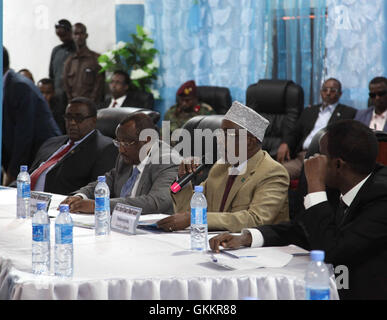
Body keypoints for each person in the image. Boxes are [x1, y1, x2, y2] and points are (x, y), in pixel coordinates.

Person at [210, 120, 387, 300]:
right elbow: (302, 229)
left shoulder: (381, 198)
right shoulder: (339, 185)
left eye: (320, 155)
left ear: (338, 165)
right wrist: (247, 237)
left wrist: (316, 186)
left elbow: (333, 252)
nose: (312, 160)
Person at [157, 101, 290, 233]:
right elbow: (188, 212)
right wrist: (183, 180)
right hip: (217, 244)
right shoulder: (220, 168)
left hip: (260, 251)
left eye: (227, 134)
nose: (219, 140)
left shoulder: (273, 172)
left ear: (250, 141)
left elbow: (255, 220)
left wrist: (196, 218)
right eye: (220, 134)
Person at [60, 112, 180, 214]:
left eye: (126, 143)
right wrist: (80, 196)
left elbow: (156, 202)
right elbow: (107, 181)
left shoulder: (167, 160)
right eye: (118, 142)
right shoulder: (128, 155)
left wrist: (101, 205)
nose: (121, 149)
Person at [28, 97, 118, 195]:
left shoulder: (105, 148)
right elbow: (30, 174)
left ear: (93, 121)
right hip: (24, 197)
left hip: (61, 204)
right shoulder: (51, 142)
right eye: (68, 117)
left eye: (78, 118)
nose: (72, 123)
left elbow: (97, 190)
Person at [2, 47, 61, 186]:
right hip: (23, 156)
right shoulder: (6, 83)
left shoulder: (19, 86)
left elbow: (24, 134)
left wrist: (12, 172)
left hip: (43, 155)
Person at [276, 78, 356, 180]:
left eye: (332, 90)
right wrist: (285, 143)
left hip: (326, 158)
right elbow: (295, 132)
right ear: (320, 92)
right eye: (324, 89)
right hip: (303, 156)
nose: (328, 93)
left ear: (340, 94)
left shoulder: (348, 113)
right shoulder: (309, 111)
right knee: (276, 174)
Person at [63, 22, 104, 104]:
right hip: (74, 106)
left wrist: (90, 105)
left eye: (81, 33)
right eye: (76, 34)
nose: (79, 37)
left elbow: (99, 86)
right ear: (72, 36)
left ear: (86, 35)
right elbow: (66, 87)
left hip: (91, 107)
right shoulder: (69, 61)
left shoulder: (96, 59)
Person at [49, 19, 76, 98]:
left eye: (63, 35)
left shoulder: (78, 50)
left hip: (73, 94)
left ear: (70, 32)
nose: (61, 38)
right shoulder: (56, 50)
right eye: (59, 36)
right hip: (58, 94)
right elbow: (51, 74)